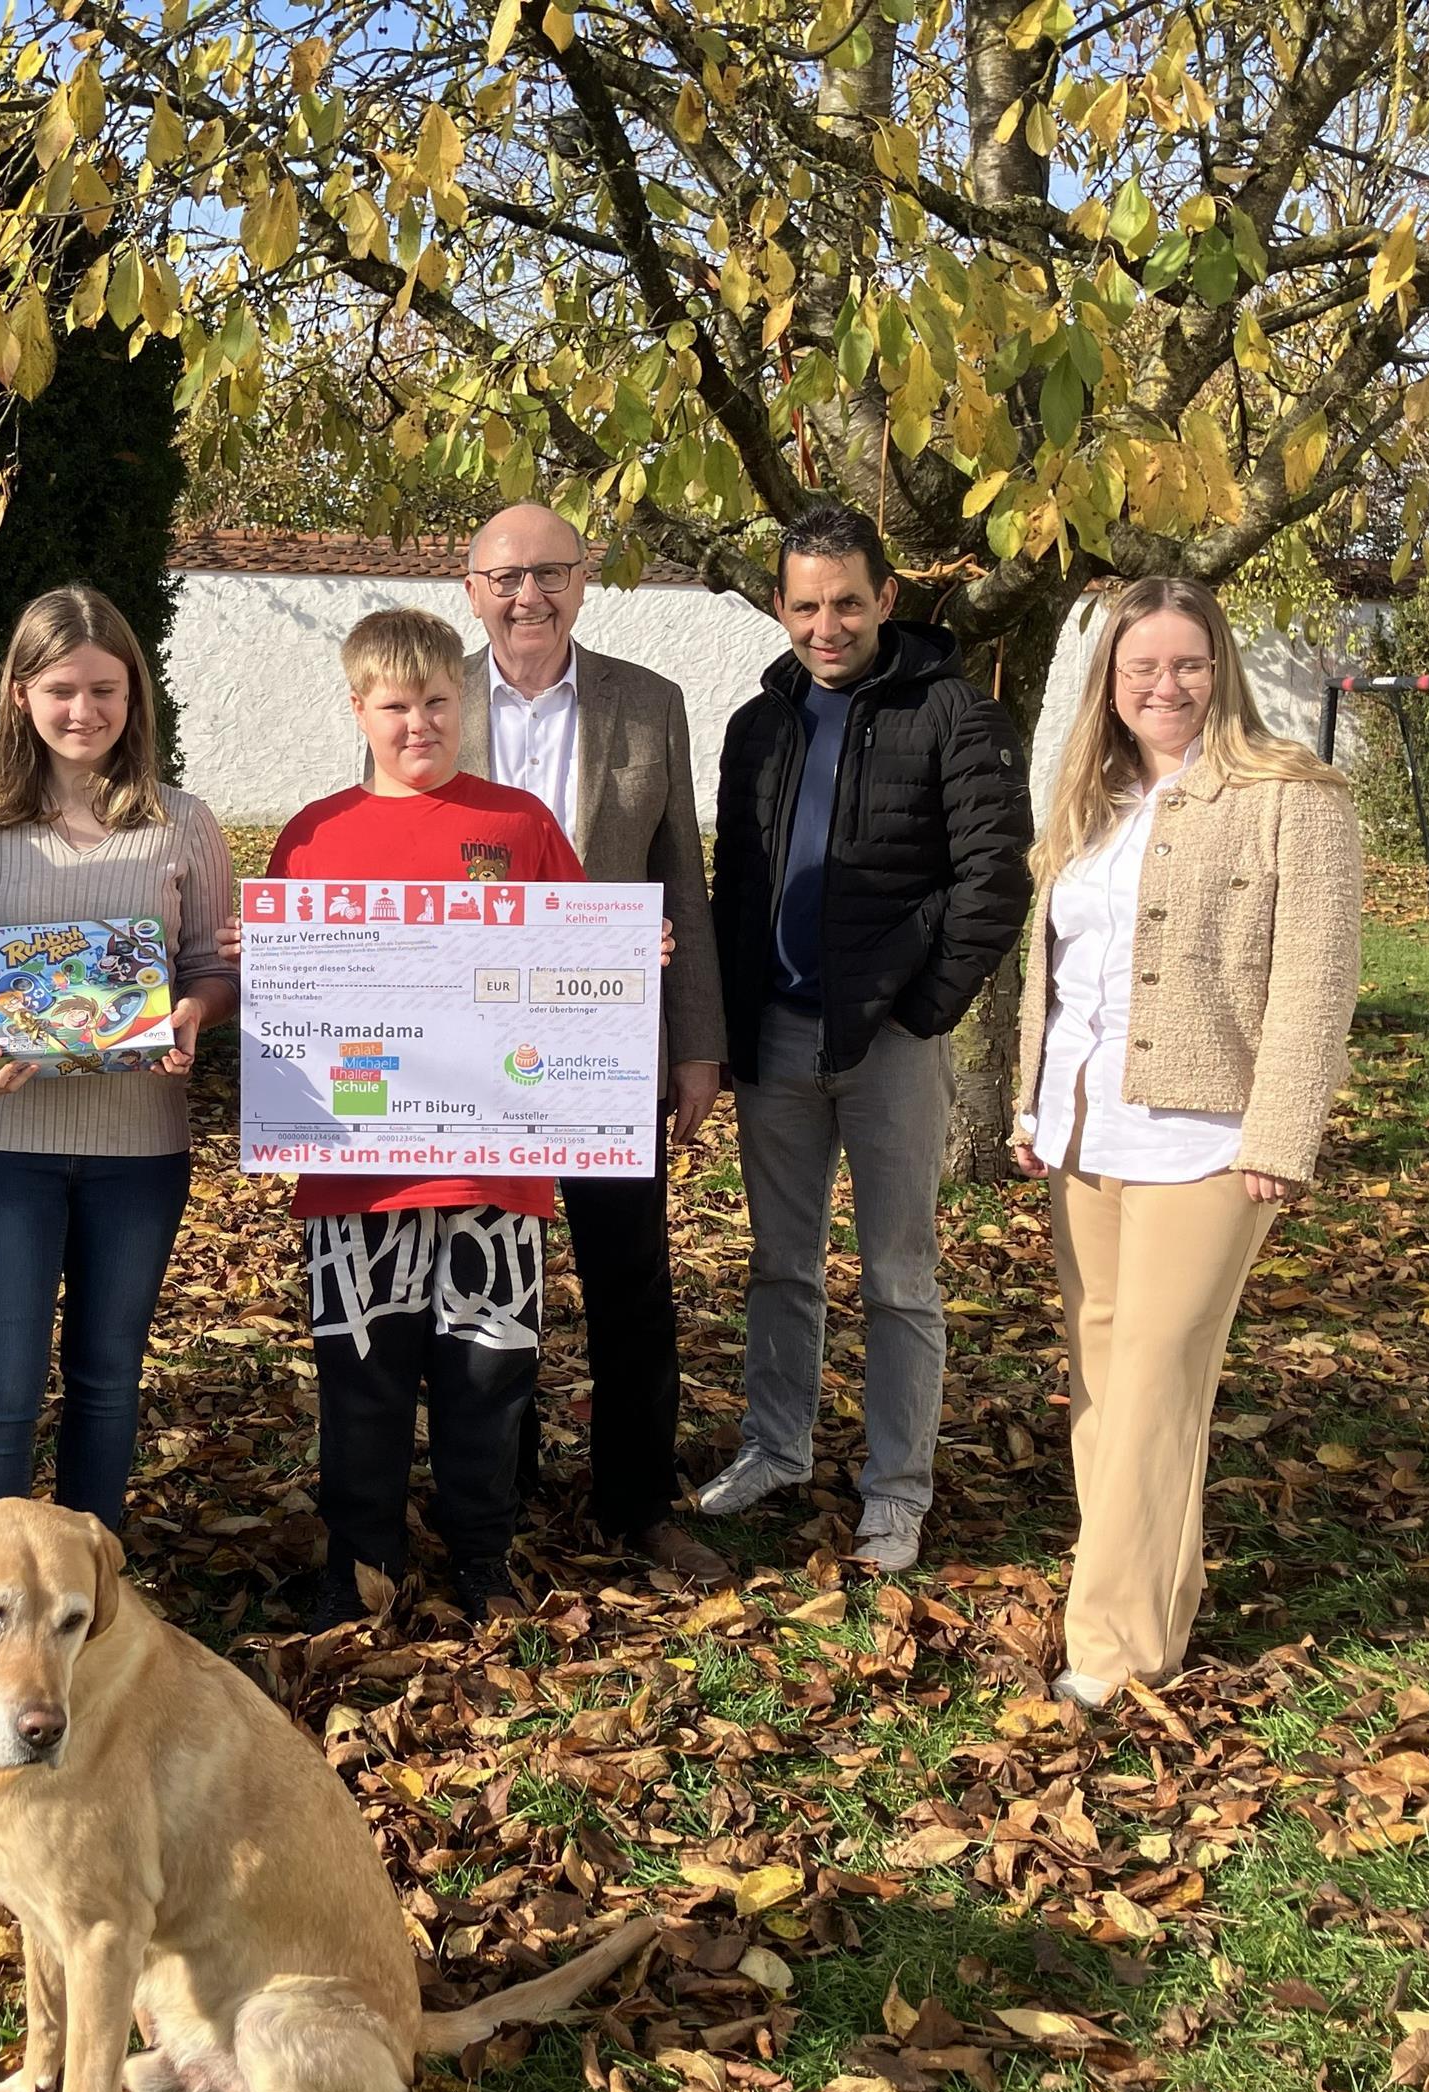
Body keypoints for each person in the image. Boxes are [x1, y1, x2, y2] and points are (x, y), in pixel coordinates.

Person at [1009, 578, 1361, 1709]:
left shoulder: (1291, 796)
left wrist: (1283, 1133)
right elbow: (1060, 974)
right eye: (1143, 668)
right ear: (1111, 683)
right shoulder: (1089, 796)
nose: (1167, 687)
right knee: (1105, 1381)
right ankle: (1150, 1594)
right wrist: (1032, 1103)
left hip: (1212, 1139)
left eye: (1189, 664)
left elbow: (1316, 980)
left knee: (1159, 1379)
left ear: (1222, 670)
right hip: (1085, 1130)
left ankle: (1114, 1648)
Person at [699, 504, 1032, 1570]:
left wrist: (923, 1009)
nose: (827, 625)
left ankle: (896, 1490)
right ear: (780, 608)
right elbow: (737, 883)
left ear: (886, 598)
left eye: (847, 602)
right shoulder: (760, 724)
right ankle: (776, 1446)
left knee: (898, 1276)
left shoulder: (954, 713)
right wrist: (729, 1016)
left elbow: (995, 879)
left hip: (890, 1041)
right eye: (805, 606)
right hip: (777, 1037)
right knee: (779, 1264)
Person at [268, 607, 589, 1628]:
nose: (420, 724)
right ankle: (361, 1564)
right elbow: (286, 1009)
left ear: (464, 702)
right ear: (358, 709)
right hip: (356, 1165)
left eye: (439, 702)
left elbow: (575, 967)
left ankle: (482, 1558)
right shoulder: (314, 836)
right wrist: (256, 960)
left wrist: (624, 959)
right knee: (360, 1374)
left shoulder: (519, 823)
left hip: (495, 1163)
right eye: (396, 706)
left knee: (488, 1373)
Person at [0, 586, 237, 1526]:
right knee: (2, 1389)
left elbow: (214, 964)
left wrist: (192, 1012)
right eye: (61, 689)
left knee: (107, 1379)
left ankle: (94, 1580)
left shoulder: (183, 820)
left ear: (134, 694)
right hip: (2, 1144)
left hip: (140, 1147)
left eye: (105, 689)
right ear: (21, 695)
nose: (84, 711)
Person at [454, 503, 730, 1589]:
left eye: (551, 573)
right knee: (491, 1278)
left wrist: (696, 1042)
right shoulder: (434, 702)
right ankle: (499, 1497)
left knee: (630, 1280)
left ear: (583, 581)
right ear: (472, 591)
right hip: (471, 1049)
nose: (529, 595)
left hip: (608, 1044)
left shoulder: (648, 703)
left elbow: (682, 879)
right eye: (506, 577)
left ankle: (638, 1503)